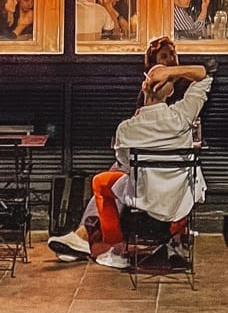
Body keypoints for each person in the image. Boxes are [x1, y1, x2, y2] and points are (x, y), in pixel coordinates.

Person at [47, 36, 211, 270]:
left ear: (145, 86)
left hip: (144, 193)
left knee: (103, 182)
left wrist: (167, 73)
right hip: (181, 194)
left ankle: (113, 247)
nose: (169, 62)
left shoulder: (127, 128)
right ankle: (172, 242)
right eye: (163, 59)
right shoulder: (184, 113)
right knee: (182, 178)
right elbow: (206, 74)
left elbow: (124, 165)